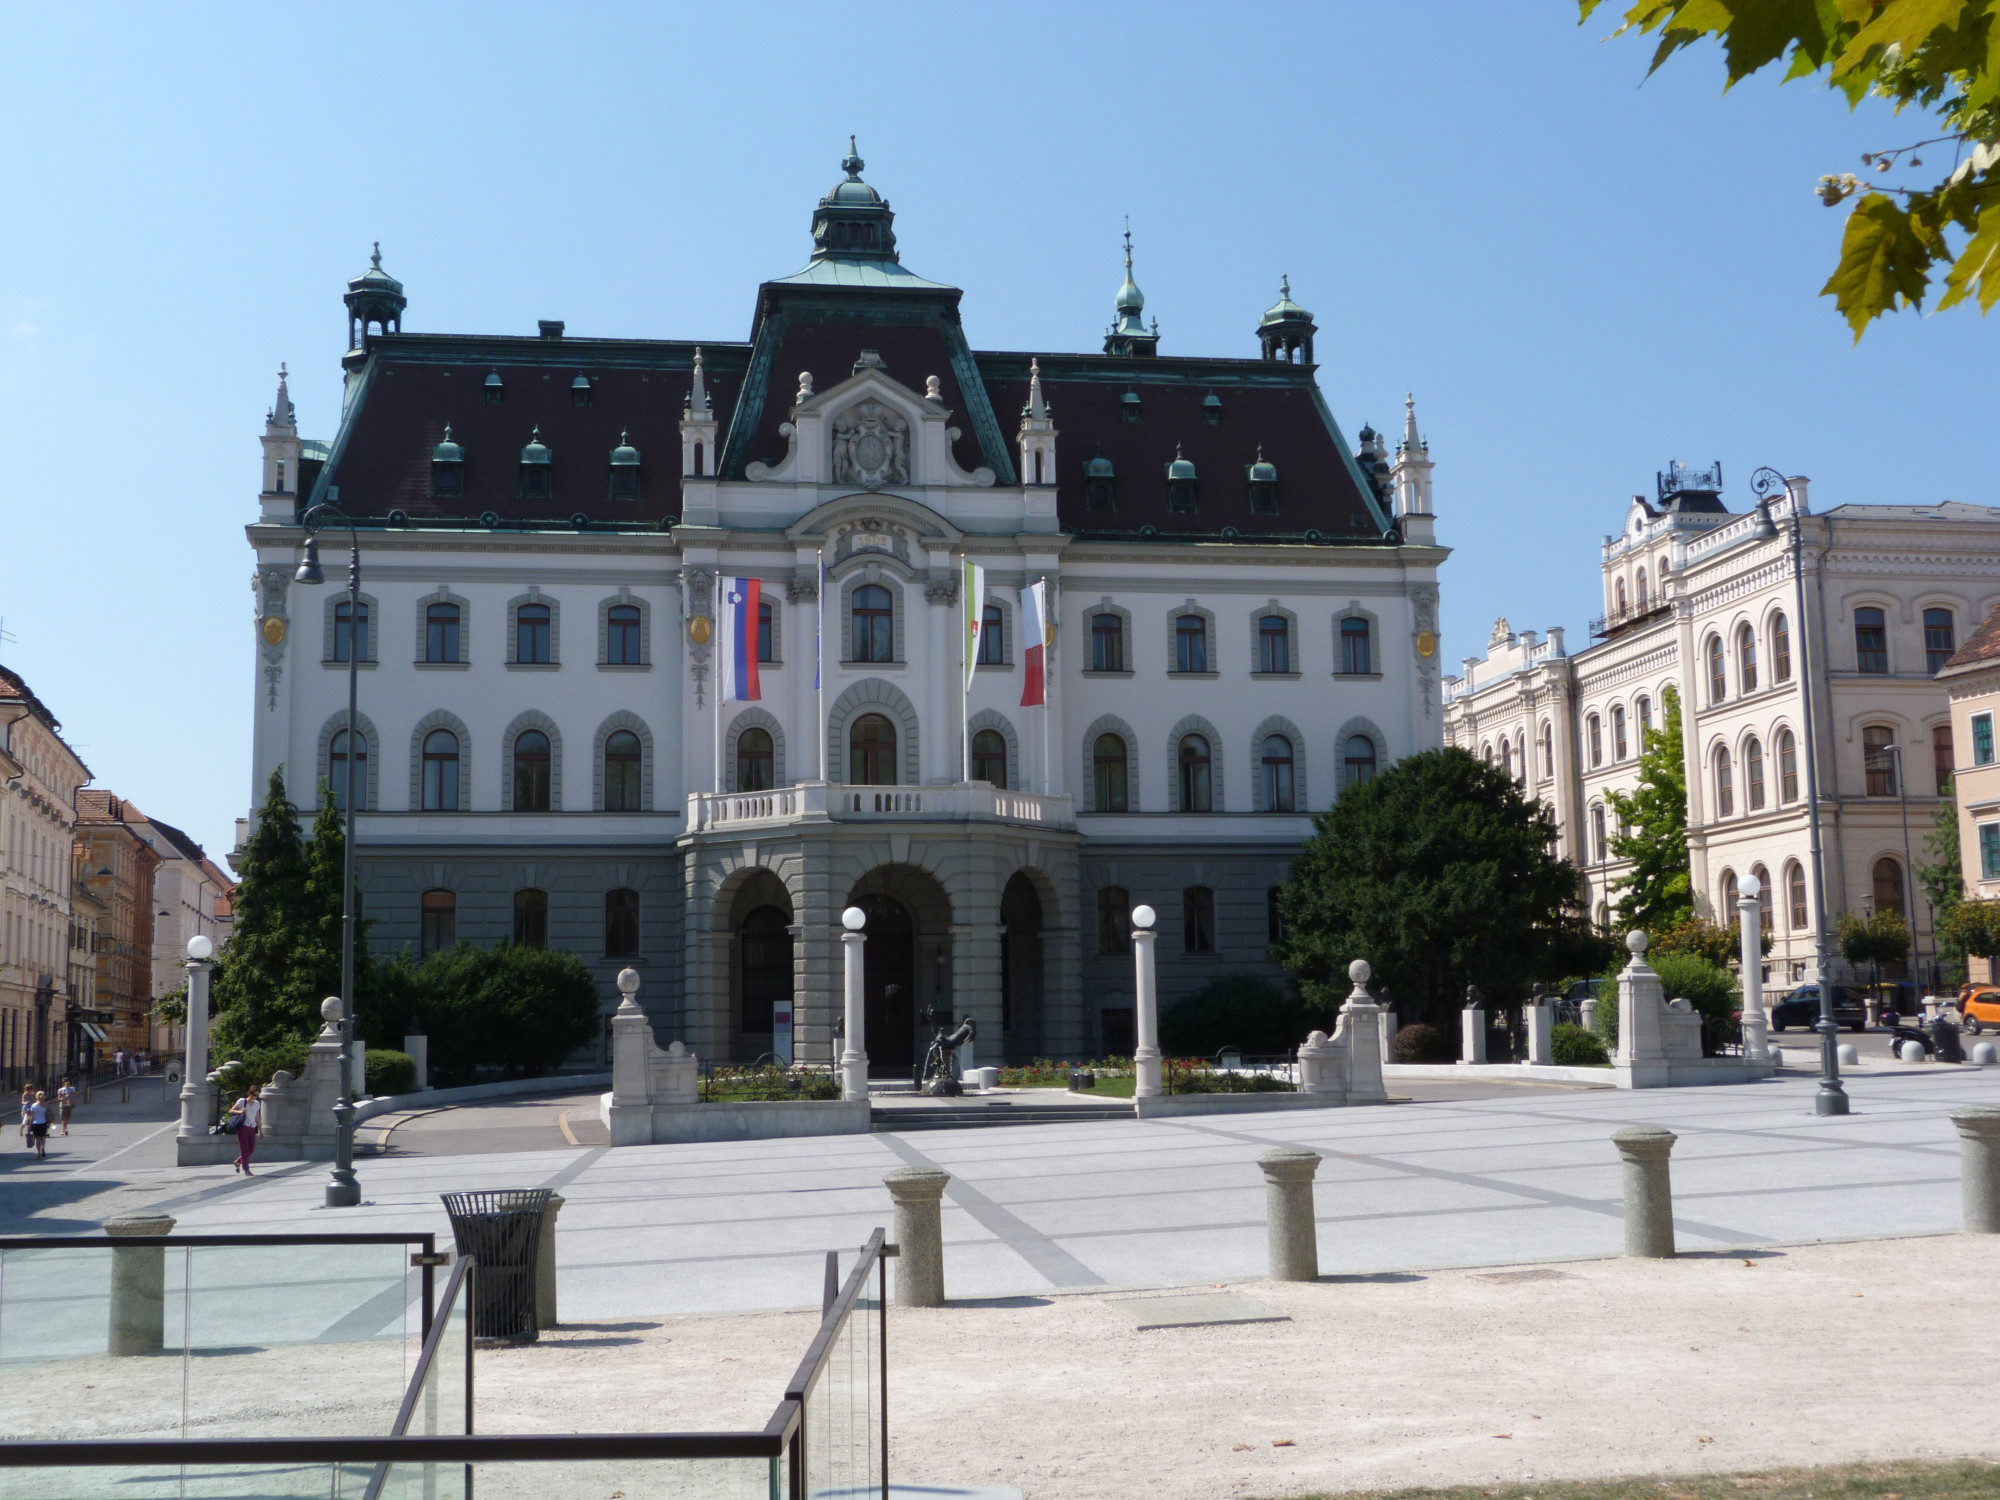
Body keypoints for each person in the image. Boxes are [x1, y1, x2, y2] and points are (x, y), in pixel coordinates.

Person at [229, 1084, 262, 1174]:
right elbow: (231, 1110)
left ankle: (238, 1161)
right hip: (243, 1126)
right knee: (244, 1149)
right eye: (254, 1095)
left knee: (251, 1149)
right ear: (250, 1093)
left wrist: (261, 1130)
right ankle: (246, 1169)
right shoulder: (242, 1101)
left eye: (257, 1095)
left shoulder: (256, 1104)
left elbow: (257, 1117)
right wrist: (240, 1111)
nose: (255, 1097)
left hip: (251, 1127)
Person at [26, 1091, 50, 1158]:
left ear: (36, 1097)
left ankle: (39, 1153)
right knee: (43, 1137)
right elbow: (48, 1113)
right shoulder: (46, 1104)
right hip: (43, 1123)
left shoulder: (34, 1105)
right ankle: (43, 1147)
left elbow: (32, 1117)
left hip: (36, 1124)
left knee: (37, 1139)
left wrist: (30, 1125)